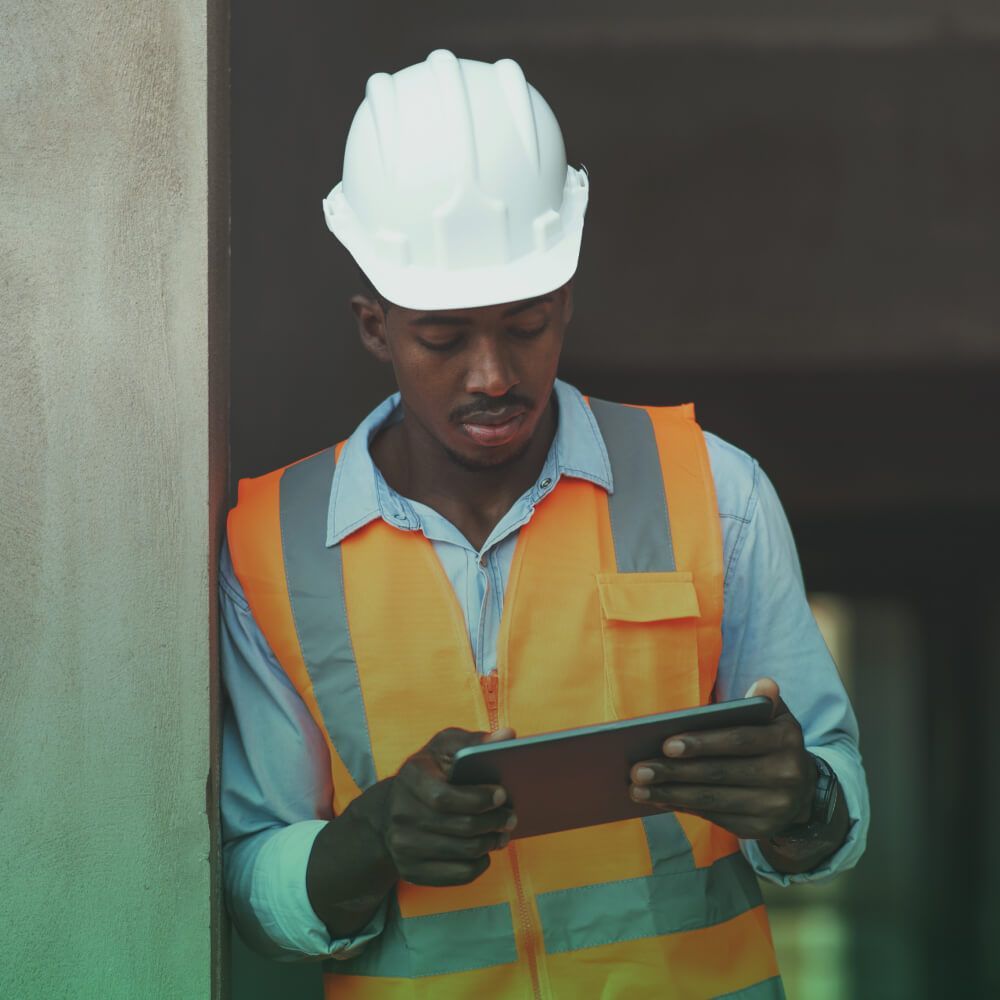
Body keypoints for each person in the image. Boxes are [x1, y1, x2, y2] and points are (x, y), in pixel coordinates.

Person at [220, 49, 869, 998]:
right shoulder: (271, 545)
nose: (491, 375)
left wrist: (803, 802)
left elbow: (835, 797)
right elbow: (245, 878)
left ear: (564, 299)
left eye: (525, 325)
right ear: (375, 327)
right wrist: (365, 843)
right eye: (443, 339)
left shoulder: (715, 492)